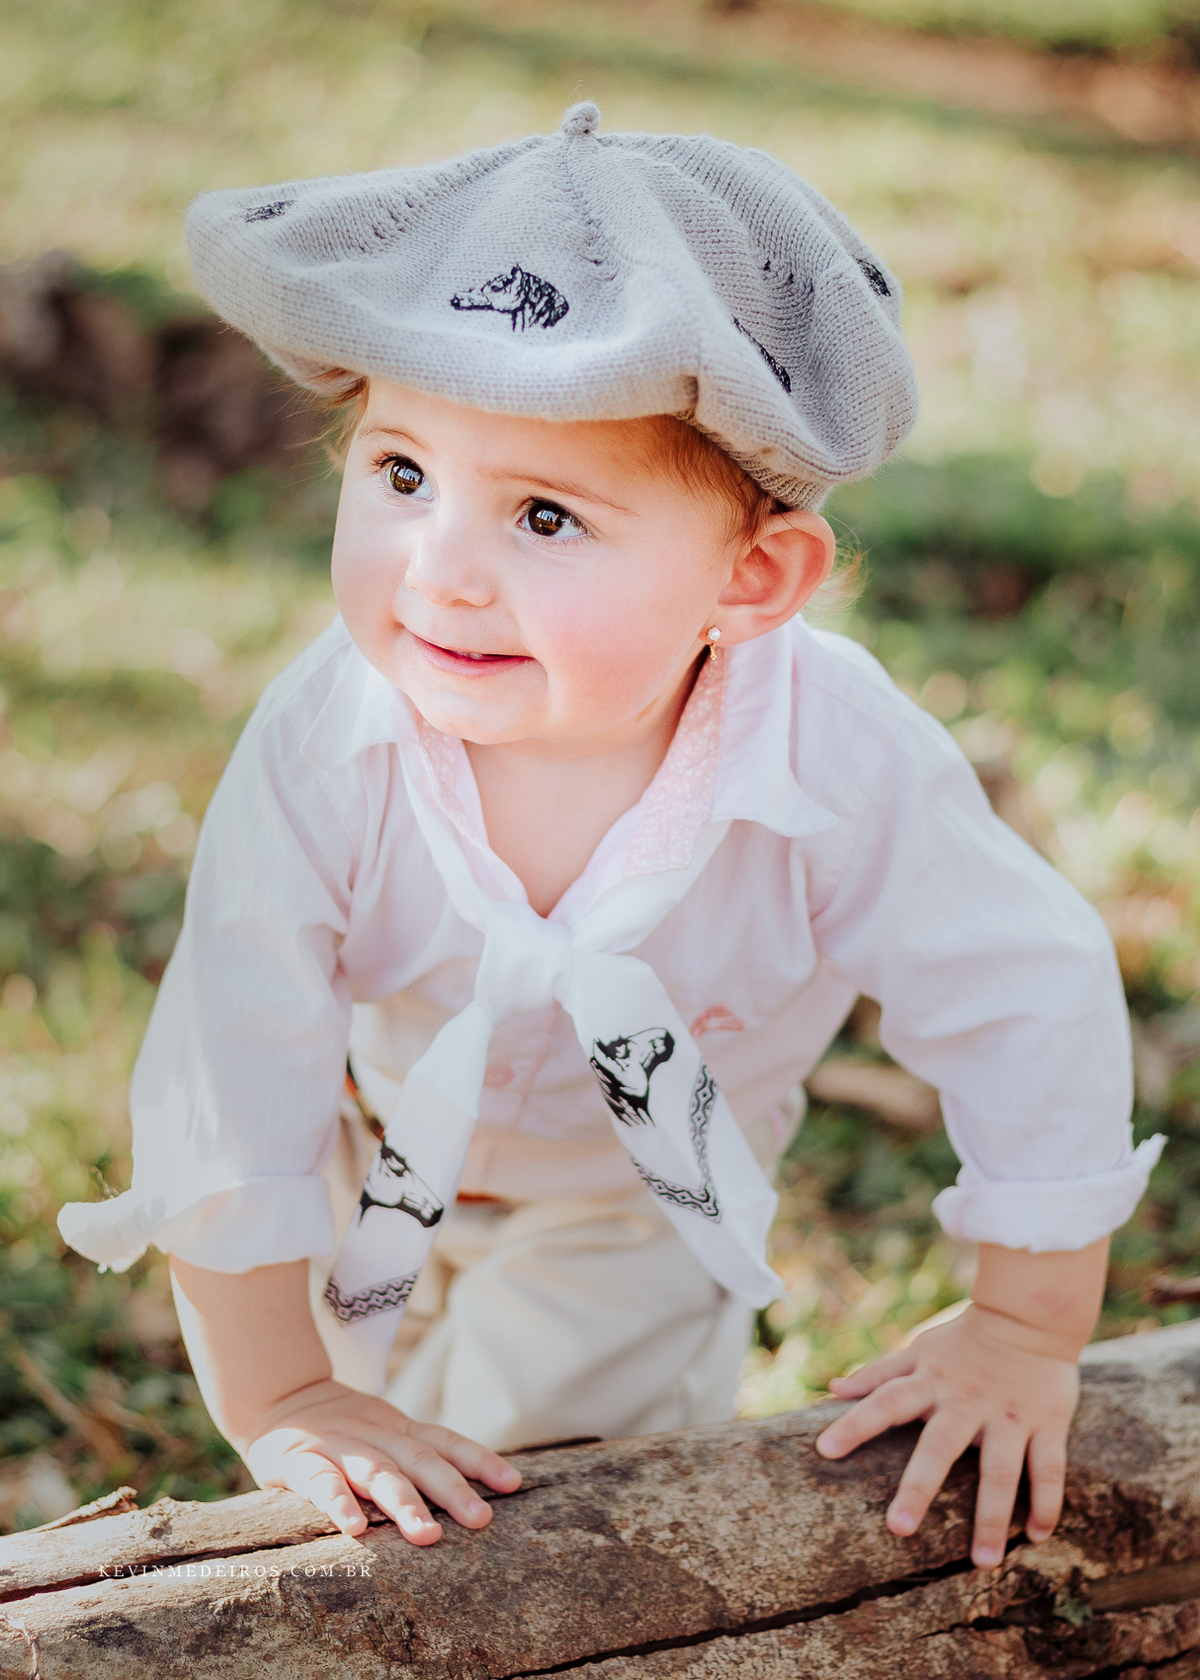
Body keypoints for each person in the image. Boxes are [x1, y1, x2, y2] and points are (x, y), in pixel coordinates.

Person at [58, 102, 1162, 1570]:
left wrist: (1027, 1326)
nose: (441, 571)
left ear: (756, 577)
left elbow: (1022, 987)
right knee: (339, 1462)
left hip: (637, 1194)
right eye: (401, 475)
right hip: (359, 1138)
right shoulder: (330, 739)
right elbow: (232, 1052)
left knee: (517, 1498)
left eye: (546, 517)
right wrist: (288, 1393)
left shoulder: (835, 754)